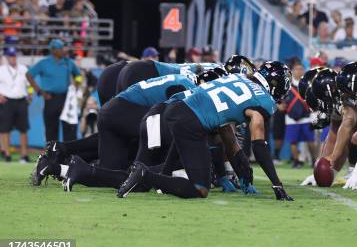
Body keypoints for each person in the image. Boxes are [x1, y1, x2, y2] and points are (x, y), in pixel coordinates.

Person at [119, 61, 294, 201]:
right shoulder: (263, 102)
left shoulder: (238, 79)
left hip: (174, 109)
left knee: (190, 149)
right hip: (190, 120)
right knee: (200, 189)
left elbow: (227, 134)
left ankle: (157, 175)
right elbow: (259, 147)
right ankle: (145, 174)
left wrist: (241, 169)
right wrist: (277, 184)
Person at [26, 39, 82, 143]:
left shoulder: (68, 62)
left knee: (69, 129)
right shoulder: (44, 63)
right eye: (60, 48)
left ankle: (69, 156)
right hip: (50, 98)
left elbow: (78, 75)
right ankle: (52, 156)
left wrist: (76, 86)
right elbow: (29, 75)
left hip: (66, 99)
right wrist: (40, 91)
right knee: (51, 130)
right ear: (53, 50)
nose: (63, 50)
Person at [283, 61, 316, 167]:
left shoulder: (308, 84)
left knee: (310, 140)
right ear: (292, 71)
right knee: (293, 141)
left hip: (306, 117)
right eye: (297, 69)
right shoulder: (287, 84)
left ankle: (314, 160)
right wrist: (280, 105)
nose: (299, 71)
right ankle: (296, 161)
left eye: (301, 69)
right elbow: (280, 97)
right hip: (291, 117)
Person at [0, 47, 29, 163]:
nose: (13, 58)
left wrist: (30, 94)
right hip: (7, 100)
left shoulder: (23, 68)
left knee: (23, 129)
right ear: (7, 57)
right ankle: (7, 154)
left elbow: (29, 83)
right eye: (11, 56)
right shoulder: (1, 69)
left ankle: (24, 155)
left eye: (14, 56)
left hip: (21, 100)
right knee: (5, 129)